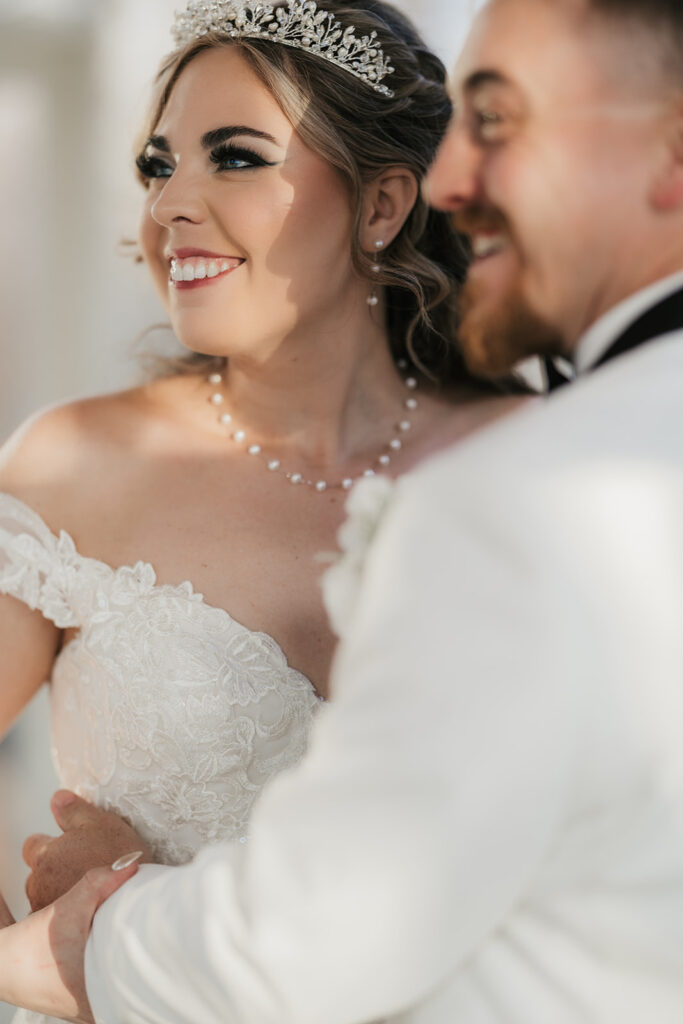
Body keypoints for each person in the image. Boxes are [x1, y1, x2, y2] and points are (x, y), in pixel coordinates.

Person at [4, 0, 683, 1019]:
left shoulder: (539, 471)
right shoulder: (76, 464)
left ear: (381, 205)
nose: (171, 206)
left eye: (233, 156)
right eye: (157, 164)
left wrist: (110, 915)